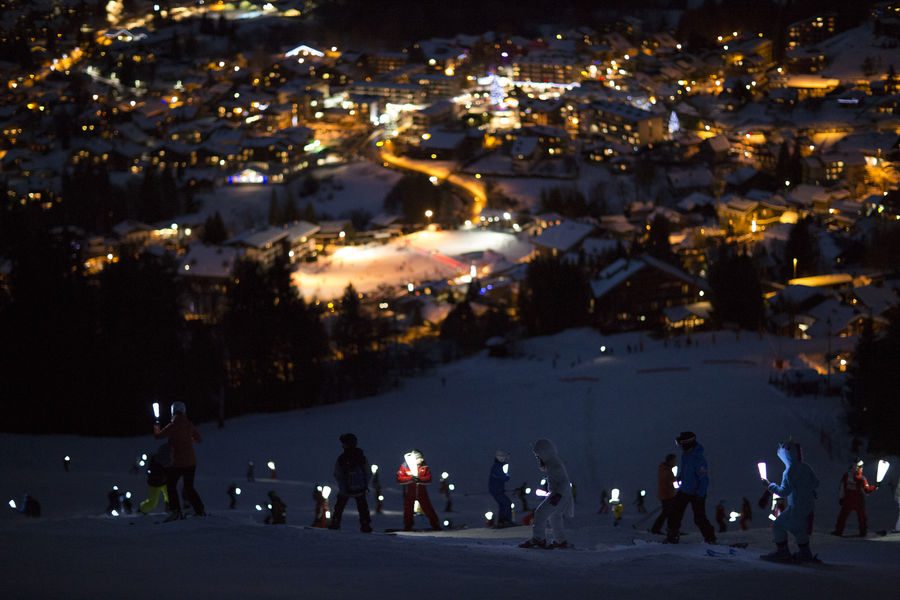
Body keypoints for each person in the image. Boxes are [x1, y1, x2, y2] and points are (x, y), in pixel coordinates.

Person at [760, 440, 819, 562]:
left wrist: (769, 485)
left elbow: (783, 492)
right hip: (808, 506)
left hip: (795, 507)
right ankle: (805, 553)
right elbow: (816, 483)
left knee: (778, 526)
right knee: (800, 530)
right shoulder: (806, 467)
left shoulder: (789, 471)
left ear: (786, 455)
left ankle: (783, 552)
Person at [153, 401, 206, 521]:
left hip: (178, 463)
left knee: (171, 485)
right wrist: (188, 439)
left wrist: (156, 425)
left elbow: (158, 436)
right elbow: (199, 439)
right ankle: (200, 510)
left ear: (173, 412)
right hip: (191, 462)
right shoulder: (189, 424)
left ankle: (175, 511)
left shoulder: (172, 426)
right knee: (189, 487)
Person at [520, 438, 573, 549]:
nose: (537, 458)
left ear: (545, 452)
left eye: (538, 455)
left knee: (540, 513)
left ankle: (539, 539)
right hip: (560, 495)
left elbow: (564, 482)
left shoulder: (554, 465)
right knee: (554, 516)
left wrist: (558, 495)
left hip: (558, 495)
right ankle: (561, 540)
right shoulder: (552, 462)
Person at [666, 431, 716, 544]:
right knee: (675, 512)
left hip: (697, 493)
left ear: (687, 443)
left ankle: (710, 538)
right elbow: (686, 472)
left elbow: (704, 480)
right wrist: (680, 477)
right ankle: (672, 535)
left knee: (699, 518)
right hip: (685, 490)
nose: (680, 446)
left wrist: (700, 494)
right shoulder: (685, 456)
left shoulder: (698, 459)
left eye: (681, 443)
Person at [329, 433, 373, 533]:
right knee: (362, 507)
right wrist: (364, 484)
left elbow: (337, 474)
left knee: (339, 506)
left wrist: (343, 485)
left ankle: (335, 522)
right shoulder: (361, 456)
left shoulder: (342, 458)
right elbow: (368, 472)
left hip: (345, 489)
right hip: (360, 488)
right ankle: (365, 524)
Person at [396, 449, 441, 531]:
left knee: (428, 508)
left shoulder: (424, 467)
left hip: (422, 492)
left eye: (421, 458)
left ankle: (436, 525)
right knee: (408, 510)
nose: (421, 460)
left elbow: (428, 479)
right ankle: (408, 526)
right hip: (409, 492)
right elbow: (399, 478)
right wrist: (411, 478)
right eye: (419, 458)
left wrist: (419, 480)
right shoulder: (405, 466)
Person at [832, 460, 878, 537]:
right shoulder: (861, 478)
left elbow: (842, 488)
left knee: (843, 516)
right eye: (861, 467)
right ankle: (863, 532)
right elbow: (866, 490)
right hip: (858, 502)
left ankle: (839, 531)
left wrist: (841, 498)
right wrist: (874, 487)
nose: (862, 469)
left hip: (848, 501)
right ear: (857, 467)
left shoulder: (847, 476)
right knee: (861, 517)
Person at [139, 444, 171, 515]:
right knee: (152, 502)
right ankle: (142, 508)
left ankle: (169, 508)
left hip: (164, 482)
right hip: (155, 483)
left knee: (170, 496)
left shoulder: (164, 457)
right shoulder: (157, 463)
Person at [651, 454, 678, 534]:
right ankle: (658, 529)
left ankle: (671, 529)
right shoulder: (666, 470)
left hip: (667, 495)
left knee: (669, 513)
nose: (675, 463)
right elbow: (669, 483)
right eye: (674, 461)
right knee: (667, 513)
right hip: (667, 495)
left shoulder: (665, 469)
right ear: (670, 461)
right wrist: (678, 482)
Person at [489, 450, 514, 527]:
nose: (503, 458)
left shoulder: (497, 466)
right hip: (496, 490)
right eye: (502, 457)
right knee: (507, 503)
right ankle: (506, 520)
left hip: (496, 490)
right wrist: (507, 476)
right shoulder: (497, 467)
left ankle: (501, 521)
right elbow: (505, 478)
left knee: (503, 504)